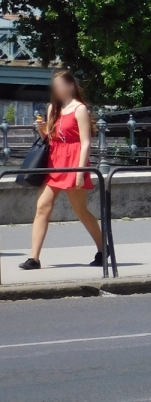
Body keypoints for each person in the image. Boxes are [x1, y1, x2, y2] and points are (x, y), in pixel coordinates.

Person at [20, 71, 105, 270]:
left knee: (81, 211)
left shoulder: (79, 109)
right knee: (42, 207)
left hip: (74, 163)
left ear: (70, 86)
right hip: (54, 162)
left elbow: (85, 143)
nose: (56, 90)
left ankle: (103, 250)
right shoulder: (53, 108)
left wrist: (79, 172)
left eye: (60, 86)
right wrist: (41, 128)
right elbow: (50, 138)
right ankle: (34, 258)